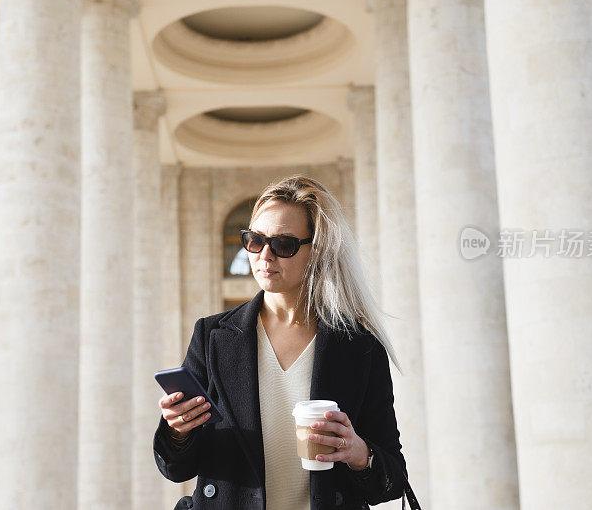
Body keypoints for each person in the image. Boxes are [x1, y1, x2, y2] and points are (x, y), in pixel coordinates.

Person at [153, 175, 408, 510]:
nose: (264, 256)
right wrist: (178, 430)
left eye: (283, 244)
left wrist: (358, 452)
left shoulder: (358, 346)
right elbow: (175, 467)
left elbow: (391, 481)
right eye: (255, 240)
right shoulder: (212, 336)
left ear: (316, 251)